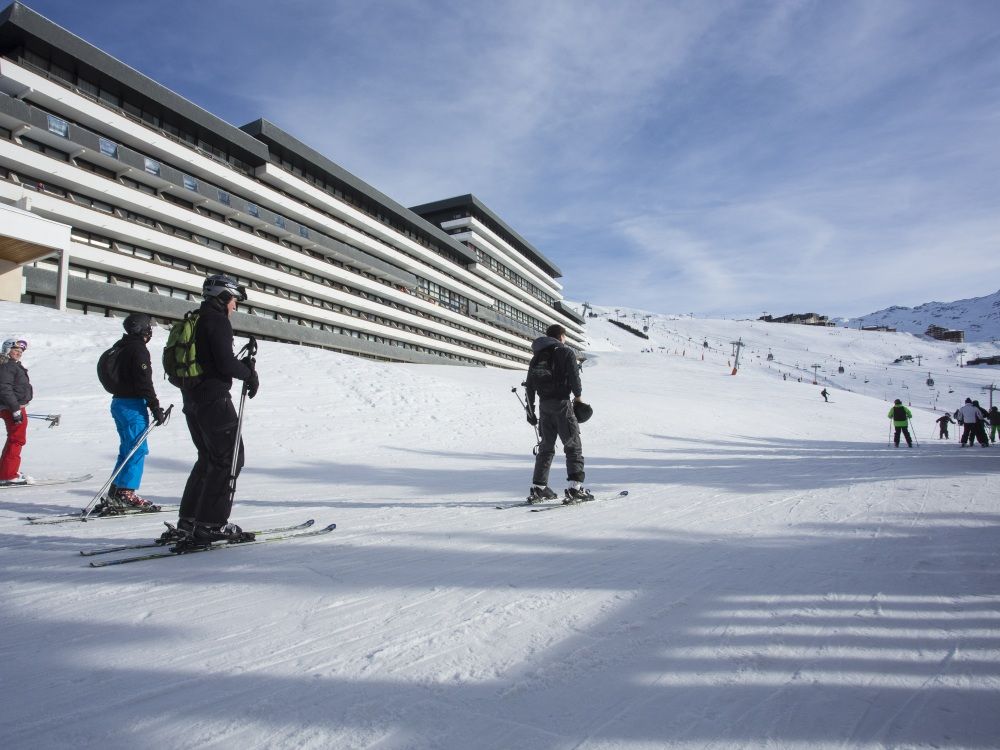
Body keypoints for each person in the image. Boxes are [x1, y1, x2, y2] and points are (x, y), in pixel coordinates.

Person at [168, 274, 259, 547]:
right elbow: (225, 363)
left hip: (192, 400)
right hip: (214, 401)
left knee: (207, 459)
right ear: (222, 298)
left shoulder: (195, 320)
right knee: (229, 459)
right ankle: (211, 524)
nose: (234, 307)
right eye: (233, 301)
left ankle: (190, 520)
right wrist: (250, 374)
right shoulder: (217, 321)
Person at [101, 313, 166, 512]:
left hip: (119, 402)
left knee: (127, 449)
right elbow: (144, 380)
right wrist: (154, 405)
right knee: (137, 449)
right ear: (142, 329)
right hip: (132, 405)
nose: (150, 331)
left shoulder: (121, 346)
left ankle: (116, 490)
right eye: (148, 327)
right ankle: (125, 492)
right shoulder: (138, 350)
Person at [524, 323, 591, 504]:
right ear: (561, 337)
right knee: (573, 444)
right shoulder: (566, 352)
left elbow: (529, 385)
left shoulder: (536, 357)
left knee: (546, 447)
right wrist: (578, 398)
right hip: (562, 403)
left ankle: (539, 488)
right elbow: (574, 377)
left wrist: (530, 411)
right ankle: (575, 488)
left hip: (544, 407)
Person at [0, 337, 32, 482]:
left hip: (13, 407)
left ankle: (6, 472)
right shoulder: (8, 366)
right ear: (7, 350)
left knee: (15, 439)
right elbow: (5, 389)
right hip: (12, 408)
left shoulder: (12, 365)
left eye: (20, 351)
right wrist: (15, 410)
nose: (19, 353)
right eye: (15, 350)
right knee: (16, 440)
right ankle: (8, 475)